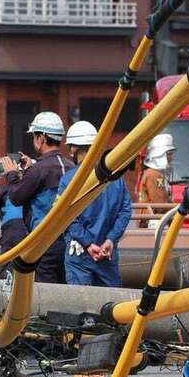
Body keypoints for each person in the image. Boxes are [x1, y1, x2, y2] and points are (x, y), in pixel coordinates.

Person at [0, 111, 72, 283]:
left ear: (42, 138)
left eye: (34, 136)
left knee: (44, 295)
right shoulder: (70, 166)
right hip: (69, 242)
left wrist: (12, 174)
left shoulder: (38, 170)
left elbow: (16, 197)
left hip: (44, 242)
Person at [58, 121, 132, 287]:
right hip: (107, 253)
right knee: (111, 305)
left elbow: (64, 217)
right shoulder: (116, 178)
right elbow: (125, 211)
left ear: (73, 149)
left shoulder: (69, 180)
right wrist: (110, 240)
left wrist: (88, 244)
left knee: (80, 306)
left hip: (80, 255)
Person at [137, 133, 176, 204]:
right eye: (169, 154)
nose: (172, 158)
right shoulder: (154, 175)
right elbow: (160, 204)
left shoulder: (156, 173)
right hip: (154, 215)